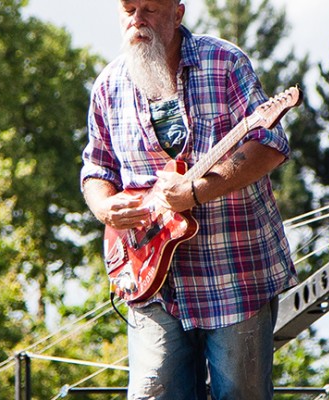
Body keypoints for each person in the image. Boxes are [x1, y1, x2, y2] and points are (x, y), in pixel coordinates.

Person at [80, 0, 299, 398]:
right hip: (152, 282)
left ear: (177, 14)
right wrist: (104, 207)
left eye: (149, 9)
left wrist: (197, 191)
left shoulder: (226, 63)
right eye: (129, 9)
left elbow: (270, 144)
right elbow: (96, 170)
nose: (137, 19)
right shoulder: (108, 86)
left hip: (235, 275)